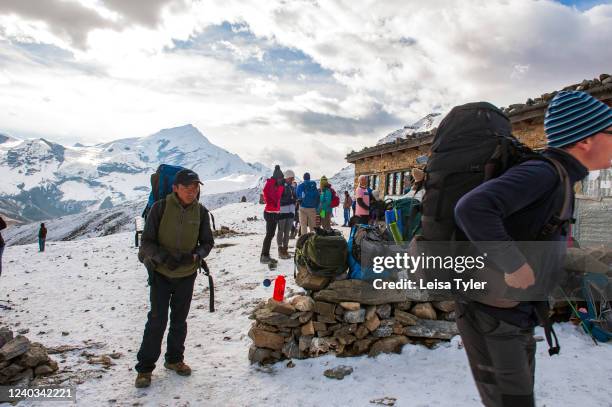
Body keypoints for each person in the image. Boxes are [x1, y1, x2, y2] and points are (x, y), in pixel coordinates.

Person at [453, 91, 612, 407]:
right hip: (494, 313)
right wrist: (513, 264)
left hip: (515, 312)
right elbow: (473, 207)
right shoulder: (544, 174)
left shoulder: (560, 177)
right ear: (585, 140)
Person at [135, 169, 214, 388]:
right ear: (175, 188)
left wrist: (196, 255)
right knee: (157, 320)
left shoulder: (201, 212)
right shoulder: (160, 208)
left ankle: (174, 360)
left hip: (186, 274)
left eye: (195, 187)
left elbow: (207, 242)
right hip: (160, 272)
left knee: (179, 320)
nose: (192, 191)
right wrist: (163, 258)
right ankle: (144, 369)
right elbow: (147, 242)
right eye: (187, 187)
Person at [261, 165, 284, 264]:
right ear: (276, 178)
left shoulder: (279, 186)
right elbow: (266, 193)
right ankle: (264, 256)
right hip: (270, 213)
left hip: (275, 213)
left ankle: (266, 255)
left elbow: (278, 197)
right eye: (280, 178)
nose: (281, 180)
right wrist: (271, 203)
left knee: (271, 234)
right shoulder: (270, 184)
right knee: (269, 234)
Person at [277, 170, 296, 259]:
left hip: (290, 212)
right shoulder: (281, 186)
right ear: (288, 177)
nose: (293, 180)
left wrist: (296, 200)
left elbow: (293, 197)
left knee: (287, 232)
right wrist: (290, 201)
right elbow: (279, 199)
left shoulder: (291, 187)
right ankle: (280, 249)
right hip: (282, 211)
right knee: (281, 231)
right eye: (292, 178)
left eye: (293, 178)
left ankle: (285, 248)